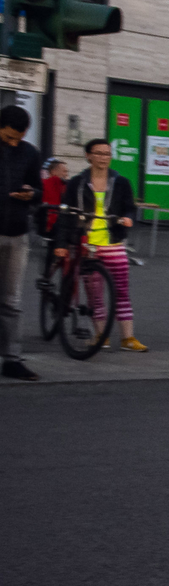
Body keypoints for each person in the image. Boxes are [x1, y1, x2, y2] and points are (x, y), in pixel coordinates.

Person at [60, 137, 146, 351]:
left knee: (121, 291)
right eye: (98, 153)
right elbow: (66, 214)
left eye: (107, 154)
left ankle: (128, 338)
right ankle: (101, 336)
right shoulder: (77, 184)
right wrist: (62, 241)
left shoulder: (121, 182)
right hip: (87, 244)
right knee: (94, 293)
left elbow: (129, 207)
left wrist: (127, 218)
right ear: (88, 156)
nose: (103, 158)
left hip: (113, 242)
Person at [0, 105, 43, 381]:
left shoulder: (30, 153)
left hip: (17, 233)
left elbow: (37, 189)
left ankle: (12, 359)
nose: (14, 142)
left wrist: (31, 194)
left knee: (12, 300)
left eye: (19, 137)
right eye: (9, 137)